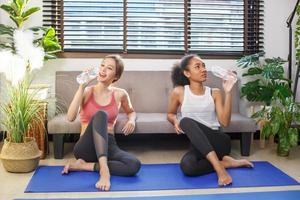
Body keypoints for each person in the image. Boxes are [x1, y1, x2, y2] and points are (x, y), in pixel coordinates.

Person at [167, 54, 253, 186]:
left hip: (219, 142)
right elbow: (170, 114)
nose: (203, 69)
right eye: (197, 67)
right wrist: (175, 121)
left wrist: (228, 92)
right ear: (187, 73)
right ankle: (227, 163)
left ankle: (220, 171)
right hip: (198, 144)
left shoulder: (215, 92)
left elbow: (225, 122)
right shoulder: (179, 92)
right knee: (187, 167)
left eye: (204, 66)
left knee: (185, 121)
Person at [62, 55, 141, 191]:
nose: (103, 70)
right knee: (101, 114)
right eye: (102, 65)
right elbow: (70, 117)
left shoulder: (120, 94)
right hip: (86, 147)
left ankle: (84, 166)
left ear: (115, 76)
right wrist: (81, 86)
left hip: (110, 144)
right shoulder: (87, 91)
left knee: (134, 165)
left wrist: (132, 120)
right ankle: (104, 171)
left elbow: (131, 111)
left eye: (109, 68)